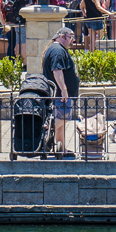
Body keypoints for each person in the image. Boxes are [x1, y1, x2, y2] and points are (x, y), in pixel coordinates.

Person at [41, 26, 79, 156]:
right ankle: (45, 131)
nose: (73, 41)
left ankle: (60, 148)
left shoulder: (57, 49)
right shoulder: (57, 50)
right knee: (62, 119)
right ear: (62, 37)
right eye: (71, 37)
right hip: (59, 95)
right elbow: (57, 71)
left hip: (59, 94)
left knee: (61, 120)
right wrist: (64, 89)